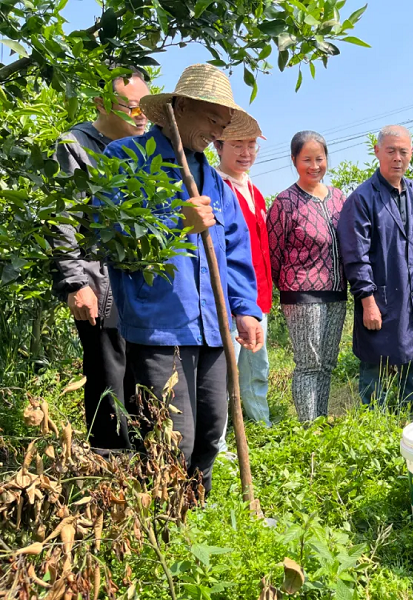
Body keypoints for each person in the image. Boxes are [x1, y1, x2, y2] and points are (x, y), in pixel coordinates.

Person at [98, 64, 264, 493]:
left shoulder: (217, 182)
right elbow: (109, 236)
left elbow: (235, 254)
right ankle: (166, 532)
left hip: (214, 329)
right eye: (212, 120)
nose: (217, 133)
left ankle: (195, 522)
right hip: (159, 328)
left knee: (210, 432)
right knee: (172, 440)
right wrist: (175, 221)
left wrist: (244, 309)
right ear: (180, 107)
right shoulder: (126, 160)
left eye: (224, 125)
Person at [52, 67, 149, 451]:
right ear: (101, 104)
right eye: (132, 107)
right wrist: (76, 284)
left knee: (143, 376)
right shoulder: (76, 145)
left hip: (138, 285)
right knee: (108, 376)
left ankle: (149, 467)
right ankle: (111, 466)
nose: (141, 115)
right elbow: (62, 219)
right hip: (98, 284)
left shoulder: (142, 150)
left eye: (145, 107)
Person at [337, 125, 413, 409]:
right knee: (375, 363)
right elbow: (355, 255)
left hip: (409, 294)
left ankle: (411, 413)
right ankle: (374, 420)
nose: (397, 158)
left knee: (412, 358)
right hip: (379, 296)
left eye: (403, 152)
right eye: (391, 151)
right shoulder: (361, 198)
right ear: (377, 152)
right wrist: (367, 301)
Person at [267, 131, 348, 421]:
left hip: (337, 293)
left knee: (327, 364)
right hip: (302, 296)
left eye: (320, 159)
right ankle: (307, 430)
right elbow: (273, 254)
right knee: (309, 364)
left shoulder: (338, 197)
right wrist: (289, 289)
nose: (314, 166)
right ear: (293, 160)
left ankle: (321, 422)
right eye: (306, 160)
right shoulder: (285, 202)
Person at [214, 133, 272, 432]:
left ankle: (260, 421)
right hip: (230, 300)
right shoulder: (215, 187)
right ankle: (219, 439)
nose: (246, 152)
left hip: (259, 296)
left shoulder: (255, 191)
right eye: (237, 145)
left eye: (251, 145)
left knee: (256, 365)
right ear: (218, 146)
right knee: (224, 372)